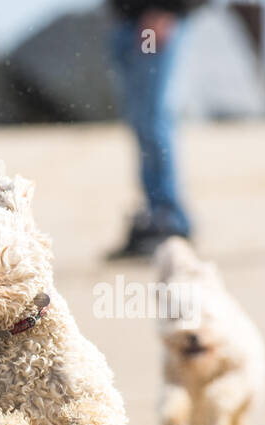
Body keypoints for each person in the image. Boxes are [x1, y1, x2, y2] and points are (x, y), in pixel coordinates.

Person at [106, 0, 206, 259]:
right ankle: (154, 216)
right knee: (141, 122)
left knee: (152, 120)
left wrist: (168, 9)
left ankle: (169, 220)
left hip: (154, 20)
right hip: (125, 21)